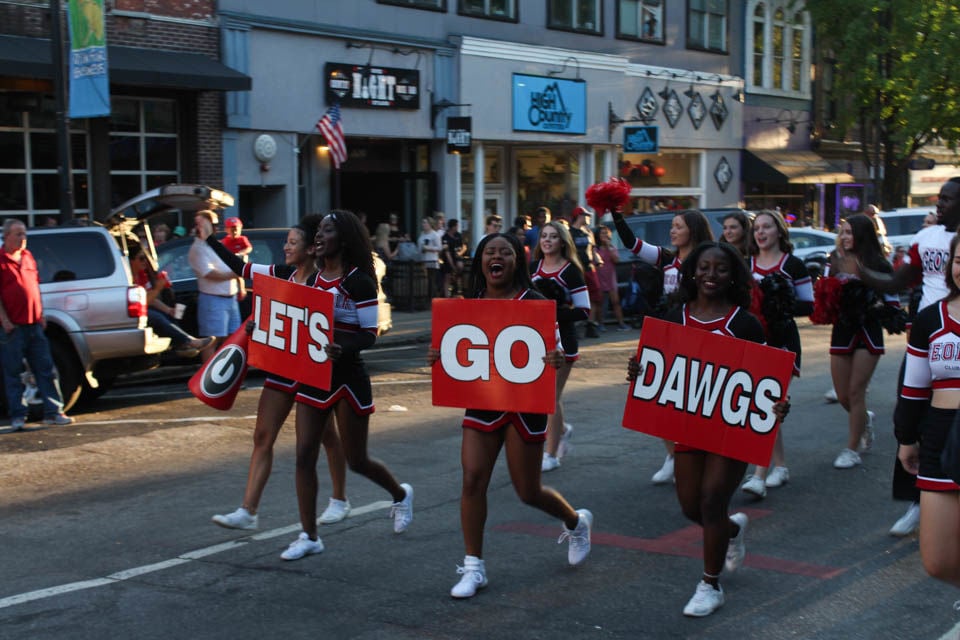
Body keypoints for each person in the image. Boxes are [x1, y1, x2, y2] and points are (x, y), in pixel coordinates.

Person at [203, 210, 413, 560]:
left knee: (357, 459)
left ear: (342, 239)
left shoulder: (359, 281)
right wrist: (264, 328)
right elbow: (276, 307)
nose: (319, 237)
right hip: (313, 376)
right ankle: (309, 535)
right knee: (303, 455)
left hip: (347, 378)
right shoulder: (309, 280)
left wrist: (341, 347)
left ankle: (400, 494)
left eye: (326, 232)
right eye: (317, 232)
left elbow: (369, 334)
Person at [626, 242, 788, 617]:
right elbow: (654, 369)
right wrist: (638, 372)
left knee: (713, 498)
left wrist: (777, 405)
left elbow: (764, 382)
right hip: (688, 425)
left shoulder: (745, 323)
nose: (711, 275)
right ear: (691, 273)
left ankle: (709, 584)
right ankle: (731, 531)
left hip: (730, 429)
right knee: (690, 506)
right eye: (704, 268)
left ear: (733, 276)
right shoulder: (673, 315)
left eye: (720, 269)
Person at [428, 232, 592, 599]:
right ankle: (474, 567)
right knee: (472, 480)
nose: (496, 257)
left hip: (525, 406)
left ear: (517, 261)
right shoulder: (469, 305)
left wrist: (557, 358)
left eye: (505, 252)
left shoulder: (534, 301)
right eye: (489, 252)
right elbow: (457, 354)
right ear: (480, 262)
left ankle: (576, 522)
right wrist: (439, 357)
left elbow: (558, 349)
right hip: (483, 402)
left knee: (528, 491)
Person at [206, 214, 352, 531]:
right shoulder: (281, 274)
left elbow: (339, 326)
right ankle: (248, 510)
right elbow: (241, 268)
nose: (285, 247)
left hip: (312, 372)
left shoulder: (324, 283)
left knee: (327, 437)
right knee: (262, 436)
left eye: (292, 242)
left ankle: (340, 499)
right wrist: (208, 239)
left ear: (312, 249)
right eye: (286, 241)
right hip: (282, 367)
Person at [858, 178, 960, 535]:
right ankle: (918, 501)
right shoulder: (926, 238)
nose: (940, 204)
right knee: (911, 416)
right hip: (928, 333)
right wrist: (865, 273)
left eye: (948, 199)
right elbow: (902, 279)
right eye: (940, 198)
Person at [612, 208, 715, 484]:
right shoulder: (667, 259)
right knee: (660, 396)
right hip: (666, 333)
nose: (672, 231)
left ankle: (696, 457)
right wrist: (617, 216)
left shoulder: (705, 261)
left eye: (677, 226)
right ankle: (672, 456)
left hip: (695, 335)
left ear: (692, 230)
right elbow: (632, 245)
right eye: (671, 226)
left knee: (692, 400)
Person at [895, 233, 960, 587]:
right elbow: (914, 389)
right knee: (937, 561)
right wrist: (906, 438)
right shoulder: (930, 319)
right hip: (941, 433)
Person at [739, 210, 813, 498]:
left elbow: (809, 305)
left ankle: (758, 473)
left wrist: (780, 302)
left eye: (766, 227)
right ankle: (779, 466)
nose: (760, 232)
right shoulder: (746, 264)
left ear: (779, 231)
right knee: (766, 404)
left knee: (766, 402)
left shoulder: (793, 265)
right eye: (756, 228)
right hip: (754, 340)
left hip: (783, 341)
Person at [826, 214, 899, 470]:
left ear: (863, 235)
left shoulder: (879, 263)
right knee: (844, 395)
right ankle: (865, 419)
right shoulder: (834, 260)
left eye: (850, 232)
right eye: (842, 232)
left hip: (868, 331)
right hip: (842, 331)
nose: (845, 237)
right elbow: (826, 296)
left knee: (856, 392)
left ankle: (851, 449)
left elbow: (893, 303)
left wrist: (874, 304)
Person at [0, 219, 74, 431]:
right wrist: (4, 320)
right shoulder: (1, 259)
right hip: (12, 327)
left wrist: (40, 313)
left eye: (24, 234)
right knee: (13, 373)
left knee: (45, 369)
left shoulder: (28, 257)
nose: (23, 238)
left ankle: (54, 412)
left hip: (34, 323)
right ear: (6, 237)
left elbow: (34, 287)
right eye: (18, 234)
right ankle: (18, 416)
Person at [531, 221, 590, 472]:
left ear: (562, 242)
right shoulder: (532, 268)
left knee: (549, 398)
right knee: (546, 397)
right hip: (536, 342)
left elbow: (584, 311)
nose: (547, 240)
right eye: (544, 236)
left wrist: (551, 313)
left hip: (563, 343)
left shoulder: (570, 272)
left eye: (553, 236)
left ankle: (551, 454)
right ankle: (562, 430)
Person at [129, 250, 213, 358]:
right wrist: (157, 289)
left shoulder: (142, 276)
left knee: (167, 315)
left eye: (145, 258)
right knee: (156, 317)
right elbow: (143, 301)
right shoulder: (127, 277)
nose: (144, 261)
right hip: (129, 313)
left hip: (138, 310)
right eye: (141, 258)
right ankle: (189, 342)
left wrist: (168, 310)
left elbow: (151, 300)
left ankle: (184, 345)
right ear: (131, 261)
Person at [188, 210, 242, 362]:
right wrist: (235, 273)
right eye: (212, 224)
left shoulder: (214, 244)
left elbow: (228, 265)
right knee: (211, 340)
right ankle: (208, 378)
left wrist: (239, 282)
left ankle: (226, 374)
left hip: (230, 298)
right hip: (213, 299)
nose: (216, 227)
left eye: (216, 224)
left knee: (232, 339)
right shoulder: (197, 249)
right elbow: (210, 274)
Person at [569, 206, 603, 337]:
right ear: (579, 216)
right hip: (576, 269)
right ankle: (574, 325)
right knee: (574, 298)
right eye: (586, 215)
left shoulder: (589, 232)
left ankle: (590, 325)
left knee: (594, 297)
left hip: (589, 268)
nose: (588, 218)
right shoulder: (569, 233)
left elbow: (593, 250)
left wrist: (598, 260)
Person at [594, 225, 628, 331]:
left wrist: (609, 247)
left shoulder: (612, 247)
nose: (604, 235)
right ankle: (600, 324)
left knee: (615, 302)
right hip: (599, 277)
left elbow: (616, 260)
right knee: (600, 302)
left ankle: (621, 323)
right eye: (602, 233)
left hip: (610, 278)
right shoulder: (595, 248)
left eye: (606, 233)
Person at [221, 217, 251, 302]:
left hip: (239, 262)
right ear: (226, 230)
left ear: (240, 229)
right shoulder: (225, 241)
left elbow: (249, 248)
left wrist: (242, 252)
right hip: (229, 265)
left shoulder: (242, 239)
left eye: (236, 229)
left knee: (239, 277)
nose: (234, 232)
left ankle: (242, 291)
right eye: (232, 230)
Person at [418, 216, 442, 300]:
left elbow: (439, 248)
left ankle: (432, 299)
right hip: (423, 260)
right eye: (423, 222)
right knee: (425, 281)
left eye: (425, 222)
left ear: (430, 224)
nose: (423, 224)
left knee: (431, 281)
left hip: (432, 260)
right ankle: (426, 299)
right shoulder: (422, 234)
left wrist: (428, 248)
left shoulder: (435, 235)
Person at [441, 218, 466, 297]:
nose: (458, 227)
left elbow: (463, 247)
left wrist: (460, 253)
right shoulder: (445, 237)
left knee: (459, 270)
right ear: (452, 227)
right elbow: (447, 252)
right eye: (457, 226)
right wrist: (452, 266)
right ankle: (447, 297)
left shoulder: (458, 235)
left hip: (457, 257)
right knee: (447, 277)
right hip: (448, 259)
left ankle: (458, 292)